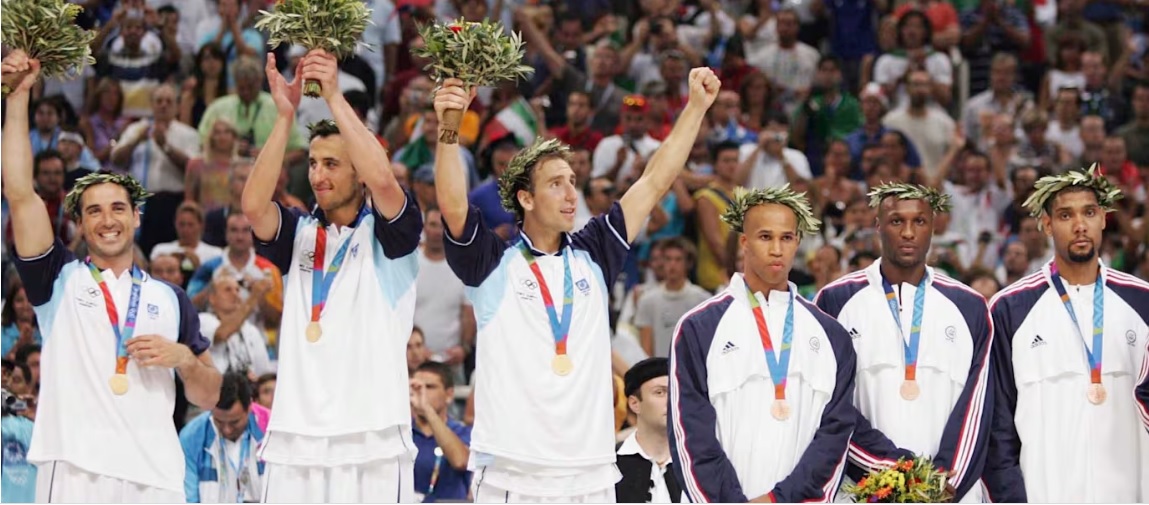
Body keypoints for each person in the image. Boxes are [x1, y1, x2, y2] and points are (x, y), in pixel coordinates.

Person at [431, 67, 720, 502]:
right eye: (555, 184)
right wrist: (449, 130)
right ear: (526, 198)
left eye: (572, 182)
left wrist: (695, 107)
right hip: (514, 467)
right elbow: (453, 203)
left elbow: (655, 180)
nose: (571, 194)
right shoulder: (493, 261)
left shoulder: (595, 251)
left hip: (589, 467)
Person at [0, 50, 221, 502]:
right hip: (77, 470)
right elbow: (20, 193)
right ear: (79, 224)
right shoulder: (57, 279)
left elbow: (212, 392)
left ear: (137, 217)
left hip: (155, 474)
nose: (107, 220)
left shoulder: (171, 297)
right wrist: (19, 96)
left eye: (118, 208)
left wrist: (183, 358)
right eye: (93, 211)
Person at [241, 50, 421, 502]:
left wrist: (334, 97)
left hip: (372, 435)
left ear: (357, 170)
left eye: (332, 164)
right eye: (315, 163)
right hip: (297, 434)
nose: (318, 175)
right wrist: (285, 116)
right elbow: (252, 207)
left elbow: (383, 182)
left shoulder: (391, 234)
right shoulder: (298, 233)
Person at [668, 185, 855, 502]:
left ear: (797, 242)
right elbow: (690, 435)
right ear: (744, 242)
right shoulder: (699, 326)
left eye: (786, 238)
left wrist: (778, 500)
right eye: (765, 237)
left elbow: (835, 436)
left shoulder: (831, 335)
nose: (777, 249)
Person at [814, 183, 993, 502]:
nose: (908, 232)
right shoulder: (835, 300)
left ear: (933, 226)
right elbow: (830, 405)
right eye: (897, 221)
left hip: (949, 493)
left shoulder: (969, 306)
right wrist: (893, 474)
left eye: (919, 221)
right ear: (878, 225)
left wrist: (938, 484)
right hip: (864, 491)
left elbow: (977, 406)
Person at [984, 164, 1149, 502]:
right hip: (1046, 491)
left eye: (1089, 213)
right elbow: (997, 424)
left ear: (1104, 218)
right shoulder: (1010, 308)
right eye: (1064, 215)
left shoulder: (1142, 301)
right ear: (1046, 224)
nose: (1079, 226)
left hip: (1129, 491)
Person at [179, 371, 267, 503]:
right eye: (219, 421)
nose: (227, 429)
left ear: (249, 407)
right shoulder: (192, 436)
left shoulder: (269, 430)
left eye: (234, 422)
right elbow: (188, 497)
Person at [616, 357, 682, 503]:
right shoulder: (613, 466)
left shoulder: (698, 462)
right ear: (635, 404)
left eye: (675, 391)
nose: (671, 400)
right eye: (660, 392)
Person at [410, 361, 472, 502]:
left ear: (449, 395)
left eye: (430, 387)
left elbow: (461, 461)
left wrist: (427, 410)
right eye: (417, 387)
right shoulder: (402, 435)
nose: (422, 392)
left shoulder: (464, 433)